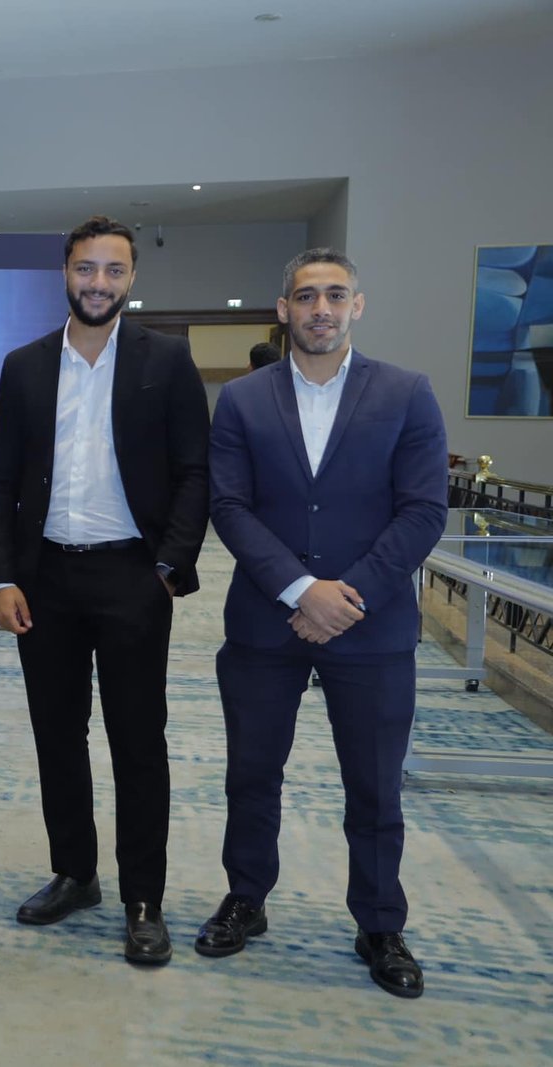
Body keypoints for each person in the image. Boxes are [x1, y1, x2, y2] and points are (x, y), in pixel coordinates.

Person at [198, 249, 447, 998]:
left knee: (374, 787)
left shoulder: (406, 392)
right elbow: (229, 505)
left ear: (357, 306)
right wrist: (302, 590)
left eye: (336, 295)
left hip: (372, 629)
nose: (321, 309)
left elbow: (423, 510)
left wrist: (347, 596)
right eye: (306, 296)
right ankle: (247, 897)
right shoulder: (242, 400)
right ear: (284, 310)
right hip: (265, 624)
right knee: (252, 775)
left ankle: (380, 922)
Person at [0, 215, 210, 966]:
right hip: (45, 579)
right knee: (57, 734)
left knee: (138, 741)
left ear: (132, 278)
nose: (99, 283)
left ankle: (144, 899)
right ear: (66, 273)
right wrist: (2, 575)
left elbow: (194, 472)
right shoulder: (25, 365)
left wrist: (169, 566)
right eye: (86, 268)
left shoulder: (167, 359)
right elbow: (1, 479)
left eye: (114, 270)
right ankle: (75, 873)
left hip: (132, 577)